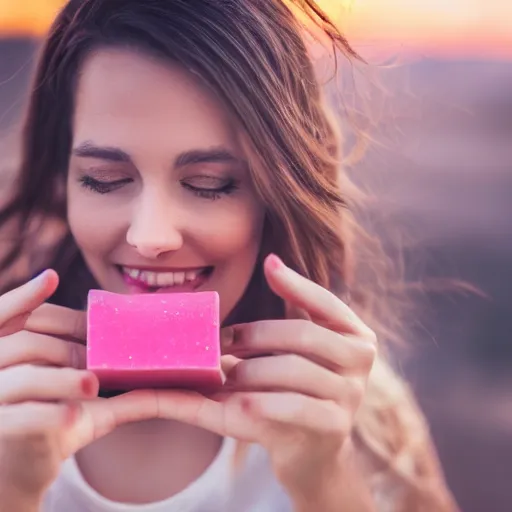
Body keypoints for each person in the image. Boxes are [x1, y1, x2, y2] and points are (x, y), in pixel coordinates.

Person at [0, 1, 459, 511]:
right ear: (62, 181)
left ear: (278, 195)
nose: (152, 236)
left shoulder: (363, 415)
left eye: (209, 184)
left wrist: (325, 485)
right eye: (105, 180)